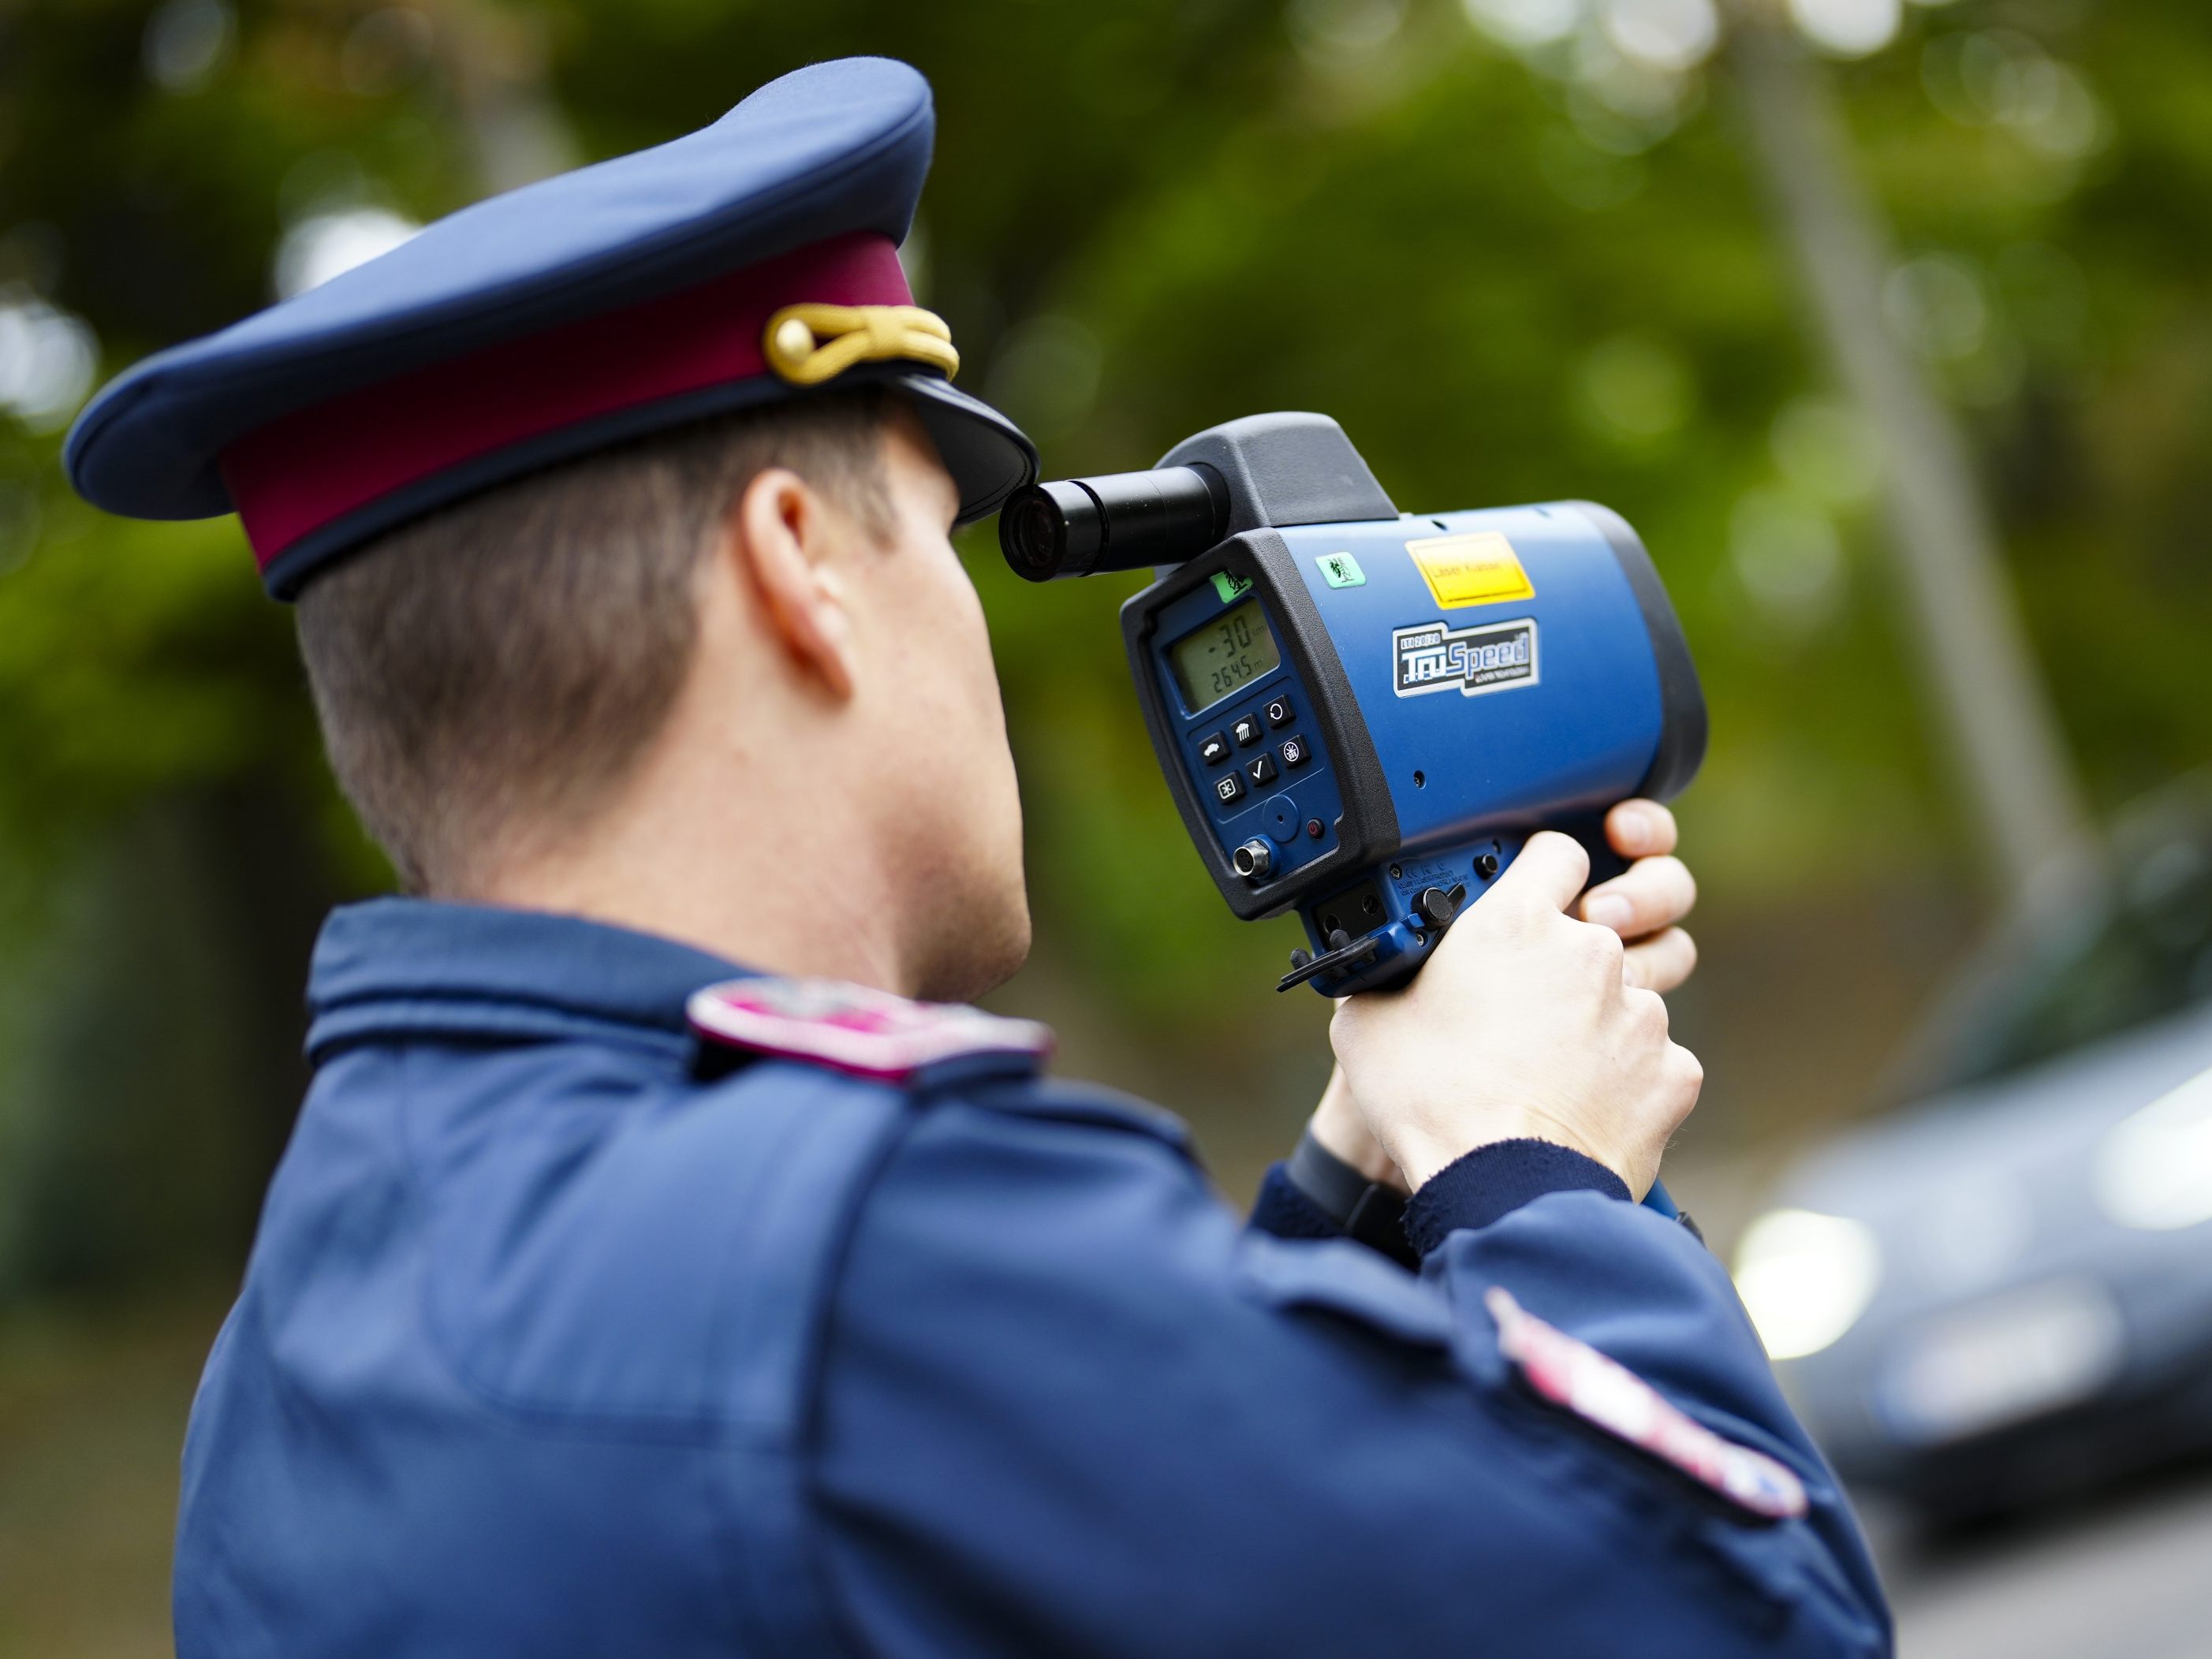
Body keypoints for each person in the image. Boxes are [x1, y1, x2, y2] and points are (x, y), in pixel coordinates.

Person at [67, 55, 1891, 1659]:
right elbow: (1749, 1611)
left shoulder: (288, 1363)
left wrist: (1362, 1176)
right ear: (798, 564)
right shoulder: (864, 1266)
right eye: (934, 533)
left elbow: (1104, 1523)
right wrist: (1538, 1183)